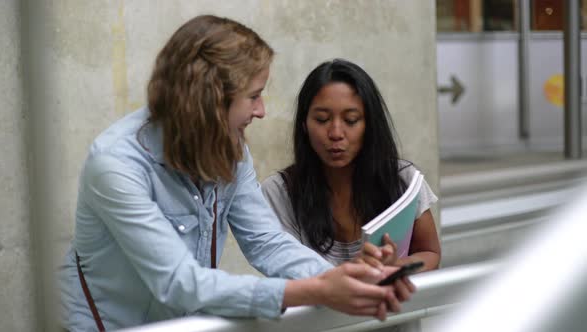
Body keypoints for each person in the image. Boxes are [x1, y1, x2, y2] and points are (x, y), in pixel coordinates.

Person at [58, 16, 415, 331]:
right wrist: (320, 290)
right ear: (210, 101)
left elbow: (265, 241)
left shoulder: (230, 146)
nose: (261, 111)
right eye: (254, 96)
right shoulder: (115, 165)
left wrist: (342, 277)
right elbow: (179, 282)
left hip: (184, 322)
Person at [262, 59, 441, 272]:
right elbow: (281, 267)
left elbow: (430, 253)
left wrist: (393, 269)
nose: (336, 133)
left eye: (351, 120)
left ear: (370, 125)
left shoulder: (404, 179)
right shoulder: (279, 192)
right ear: (304, 125)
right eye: (321, 119)